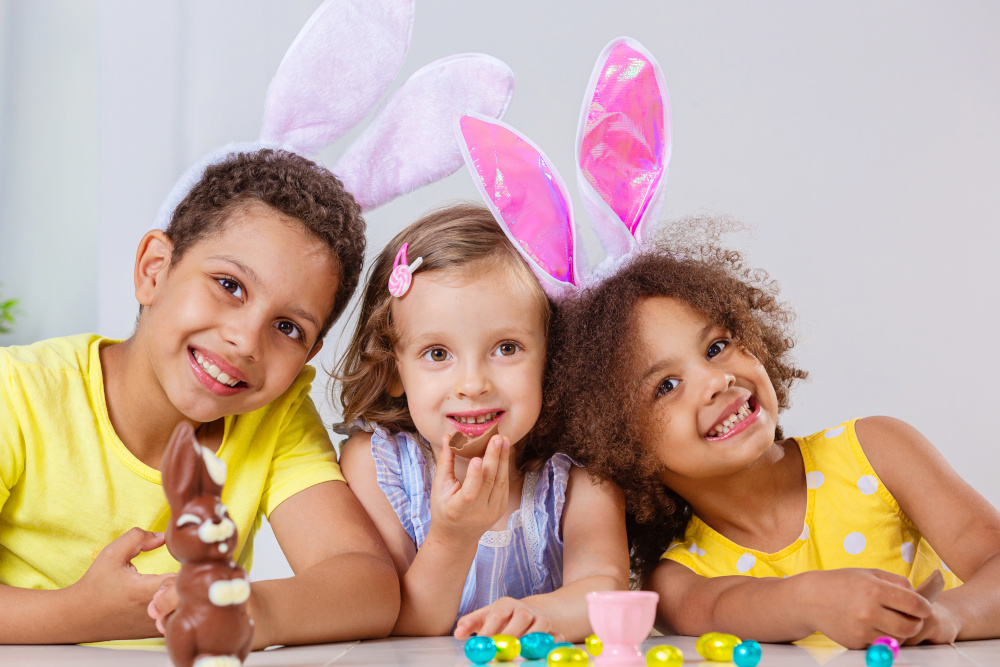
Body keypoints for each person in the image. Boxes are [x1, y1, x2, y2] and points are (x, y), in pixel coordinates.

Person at [0, 148, 399, 646]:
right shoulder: (18, 393)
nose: (247, 341)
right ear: (154, 270)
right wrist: (78, 614)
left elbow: (369, 586)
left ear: (308, 355)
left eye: (287, 327)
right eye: (229, 285)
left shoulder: (275, 417)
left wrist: (250, 610)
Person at [547, 220, 1000, 649]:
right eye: (665, 386)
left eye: (717, 347)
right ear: (622, 445)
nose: (715, 380)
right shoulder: (677, 581)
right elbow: (729, 607)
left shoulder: (877, 450)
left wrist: (949, 617)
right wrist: (812, 601)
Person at [336, 203, 629, 642]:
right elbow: (398, 622)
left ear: (553, 360)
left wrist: (536, 616)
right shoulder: (378, 466)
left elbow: (605, 591)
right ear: (394, 371)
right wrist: (453, 537)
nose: (472, 384)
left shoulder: (580, 481)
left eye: (506, 348)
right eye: (437, 354)